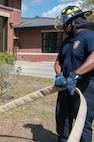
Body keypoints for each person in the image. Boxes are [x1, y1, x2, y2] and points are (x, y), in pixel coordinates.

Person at [54, 6, 94, 142]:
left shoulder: (89, 36)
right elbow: (58, 62)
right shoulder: (66, 41)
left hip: (84, 89)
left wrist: (75, 74)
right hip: (65, 87)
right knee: (62, 119)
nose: (64, 28)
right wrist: (59, 75)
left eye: (65, 24)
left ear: (72, 22)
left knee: (82, 124)